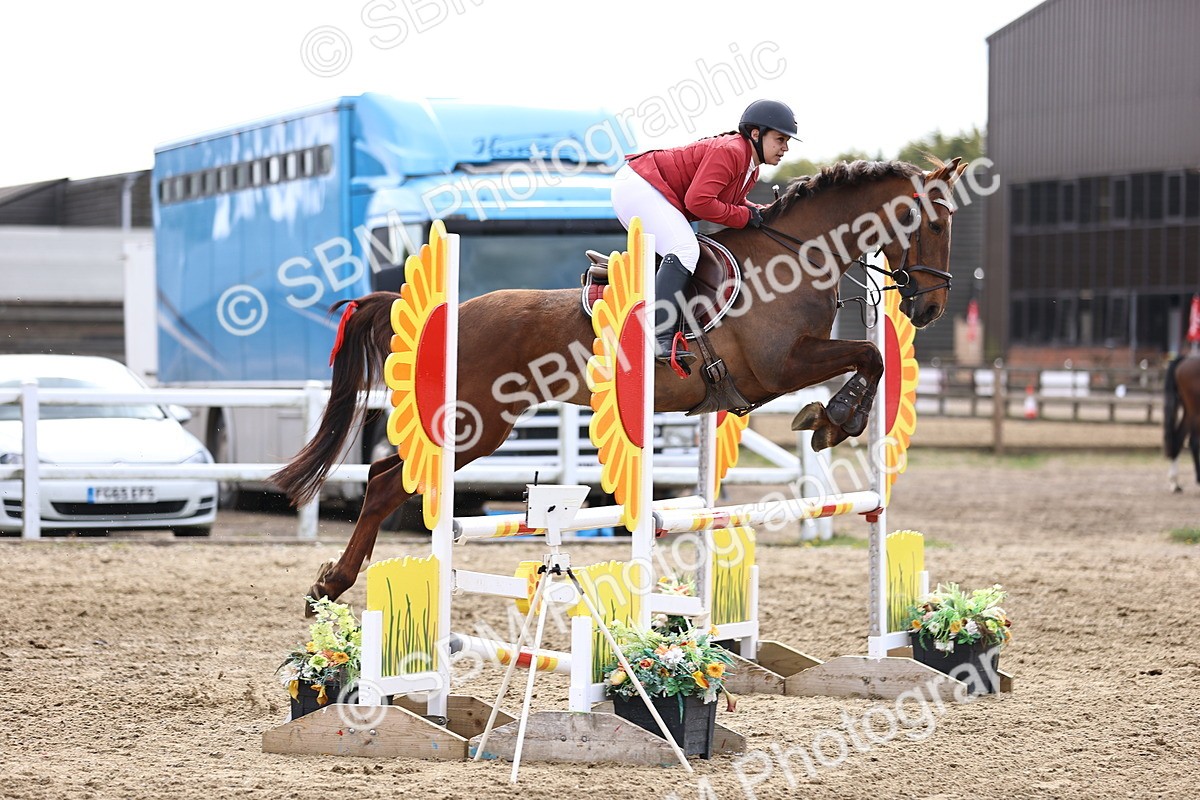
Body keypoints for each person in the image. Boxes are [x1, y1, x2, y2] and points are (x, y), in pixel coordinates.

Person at [610, 99, 798, 369]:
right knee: (685, 250)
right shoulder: (732, 151)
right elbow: (698, 202)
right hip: (640, 186)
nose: (785, 148)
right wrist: (746, 216)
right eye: (780, 139)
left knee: (683, 249)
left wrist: (762, 212)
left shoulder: (751, 168)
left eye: (787, 141)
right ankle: (659, 334)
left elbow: (733, 203)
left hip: (649, 189)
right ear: (756, 134)